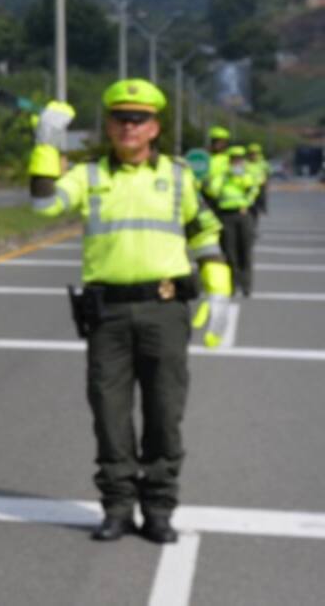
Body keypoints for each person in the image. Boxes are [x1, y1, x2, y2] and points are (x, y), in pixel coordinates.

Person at [28, 79, 231, 545]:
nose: (128, 126)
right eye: (120, 118)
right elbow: (43, 204)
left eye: (138, 119)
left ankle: (158, 508)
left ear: (155, 126)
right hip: (108, 316)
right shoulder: (90, 175)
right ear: (109, 124)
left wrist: (218, 289)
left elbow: (204, 232)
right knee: (109, 414)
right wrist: (45, 145)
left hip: (165, 311)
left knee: (164, 413)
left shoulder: (179, 176)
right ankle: (117, 507)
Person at [204, 144, 259, 297]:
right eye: (234, 159)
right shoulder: (222, 176)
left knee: (245, 252)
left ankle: (246, 286)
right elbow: (212, 191)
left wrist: (246, 203)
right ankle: (232, 285)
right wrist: (223, 177)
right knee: (229, 251)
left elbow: (254, 189)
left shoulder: (247, 175)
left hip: (243, 215)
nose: (237, 163)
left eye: (239, 159)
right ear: (229, 161)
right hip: (226, 216)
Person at [246, 142, 270, 232]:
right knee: (248, 209)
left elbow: (267, 175)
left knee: (256, 210)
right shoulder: (245, 163)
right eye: (251, 153)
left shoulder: (263, 163)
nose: (253, 155)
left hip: (260, 188)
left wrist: (265, 184)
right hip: (248, 188)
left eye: (255, 153)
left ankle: (253, 227)